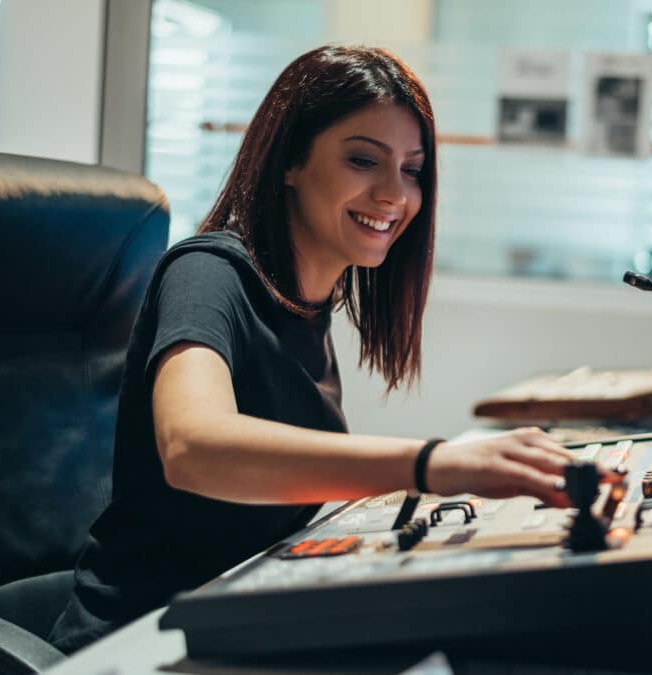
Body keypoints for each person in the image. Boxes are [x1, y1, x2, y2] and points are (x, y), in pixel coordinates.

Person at [48, 45, 573, 653]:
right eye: (362, 160)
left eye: (412, 169)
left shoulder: (311, 301)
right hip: (141, 643)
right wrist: (433, 463)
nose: (393, 195)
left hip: (237, 622)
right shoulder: (208, 274)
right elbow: (192, 447)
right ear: (290, 161)